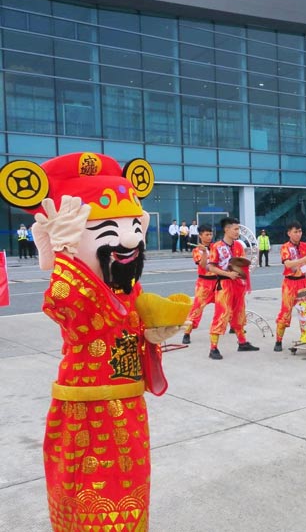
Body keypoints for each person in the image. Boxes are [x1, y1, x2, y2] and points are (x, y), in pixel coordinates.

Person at [0, 151, 181, 531]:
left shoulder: (128, 284)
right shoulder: (73, 287)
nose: (129, 239)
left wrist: (150, 336)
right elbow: (71, 307)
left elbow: (127, 325)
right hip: (87, 412)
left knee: (132, 495)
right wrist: (63, 254)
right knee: (86, 500)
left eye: (135, 225)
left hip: (129, 406)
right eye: (108, 230)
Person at [205, 217, 258, 358]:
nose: (237, 232)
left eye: (238, 229)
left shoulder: (239, 246)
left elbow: (242, 264)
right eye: (235, 229)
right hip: (224, 285)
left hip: (237, 285)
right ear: (226, 229)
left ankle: (242, 342)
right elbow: (210, 266)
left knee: (239, 313)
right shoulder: (216, 246)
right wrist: (227, 274)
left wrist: (241, 276)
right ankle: (213, 348)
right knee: (221, 314)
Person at [274, 221, 306, 351]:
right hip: (290, 283)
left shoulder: (305, 245)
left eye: (300, 231)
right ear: (289, 233)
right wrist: (303, 260)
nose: (298, 234)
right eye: (295, 232)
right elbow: (288, 264)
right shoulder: (285, 247)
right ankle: (278, 341)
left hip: (303, 281)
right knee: (286, 312)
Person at [182, 224, 215, 345]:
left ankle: (234, 327)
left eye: (210, 234)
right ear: (200, 236)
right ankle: (187, 332)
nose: (209, 237)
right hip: (204, 283)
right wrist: (205, 252)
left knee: (227, 305)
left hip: (218, 281)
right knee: (196, 309)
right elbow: (202, 265)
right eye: (206, 234)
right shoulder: (197, 250)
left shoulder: (217, 247)